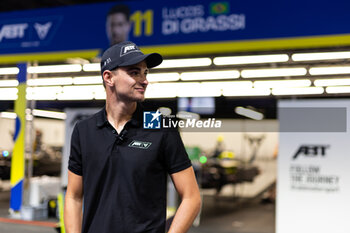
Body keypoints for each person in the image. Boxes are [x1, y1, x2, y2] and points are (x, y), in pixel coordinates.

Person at [64, 41, 201, 233]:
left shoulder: (161, 127)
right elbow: (74, 196)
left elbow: (191, 196)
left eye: (145, 73)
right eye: (134, 72)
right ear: (108, 77)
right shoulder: (84, 130)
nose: (144, 80)